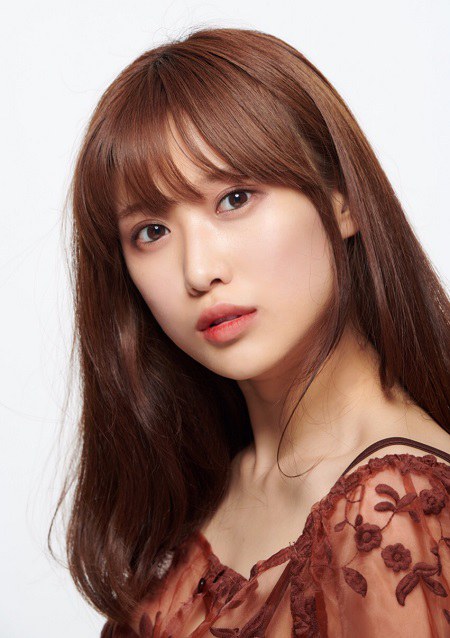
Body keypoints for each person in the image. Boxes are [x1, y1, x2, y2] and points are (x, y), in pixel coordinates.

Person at [49, 26, 450, 637]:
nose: (198, 270)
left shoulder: (398, 512)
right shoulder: (196, 495)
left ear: (342, 199)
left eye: (235, 199)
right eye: (152, 232)